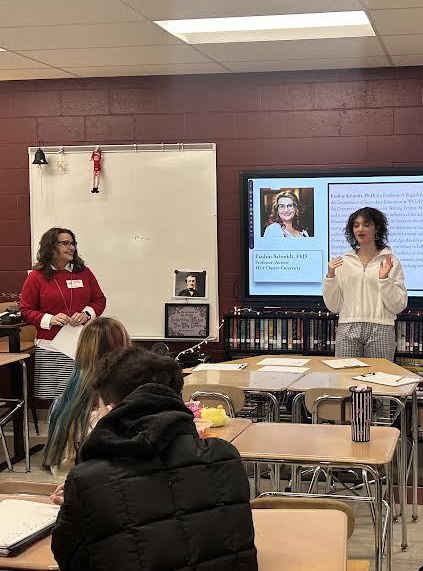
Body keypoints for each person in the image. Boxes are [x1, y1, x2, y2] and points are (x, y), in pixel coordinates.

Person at [51, 347, 257, 571]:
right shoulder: (225, 456)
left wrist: (79, 505)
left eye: (97, 407)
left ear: (111, 410)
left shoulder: (87, 478)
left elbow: (69, 559)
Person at [20, 227, 106, 404]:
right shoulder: (36, 277)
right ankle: (59, 430)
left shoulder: (84, 272)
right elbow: (26, 310)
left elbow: (99, 300)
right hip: (52, 346)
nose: (71, 247)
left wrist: (86, 314)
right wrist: (50, 319)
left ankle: (81, 431)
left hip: (83, 344)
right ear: (51, 246)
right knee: (57, 399)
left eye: (73, 243)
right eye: (65, 243)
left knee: (83, 397)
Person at [43, 317, 131, 482]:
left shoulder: (63, 404)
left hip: (68, 486)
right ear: (123, 351)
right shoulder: (115, 409)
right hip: (101, 491)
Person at [323, 207, 407, 360]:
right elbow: (333, 306)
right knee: (345, 379)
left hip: (381, 327)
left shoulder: (391, 261)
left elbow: (398, 305)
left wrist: (384, 280)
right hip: (347, 327)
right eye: (356, 225)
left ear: (377, 228)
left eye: (366, 225)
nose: (360, 229)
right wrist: (330, 276)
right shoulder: (343, 262)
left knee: (379, 380)